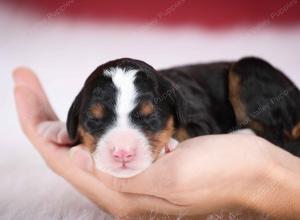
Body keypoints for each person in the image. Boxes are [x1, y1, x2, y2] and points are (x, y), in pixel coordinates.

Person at [13, 67, 300, 219]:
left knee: (249, 71)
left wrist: (267, 175)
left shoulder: (174, 103)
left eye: (147, 120)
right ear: (77, 117)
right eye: (97, 121)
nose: (122, 149)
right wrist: (69, 133)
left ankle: (275, 135)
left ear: (173, 115)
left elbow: (202, 125)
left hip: (263, 93)